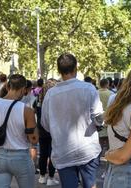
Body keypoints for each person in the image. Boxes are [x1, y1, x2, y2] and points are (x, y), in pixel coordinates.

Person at [41, 53, 103, 188]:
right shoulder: (89, 88)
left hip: (63, 151)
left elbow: (45, 123)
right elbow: (99, 117)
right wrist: (98, 125)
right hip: (88, 148)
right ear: (76, 68)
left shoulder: (51, 94)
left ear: (59, 71)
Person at [0, 74, 38, 188]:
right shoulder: (27, 110)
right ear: (24, 89)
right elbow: (33, 139)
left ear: (8, 86)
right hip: (21, 157)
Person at [37, 79, 59, 186]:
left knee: (43, 154)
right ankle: (51, 177)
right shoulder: (56, 100)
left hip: (41, 130)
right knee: (52, 154)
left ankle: (42, 176)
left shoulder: (38, 99)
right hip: (53, 130)